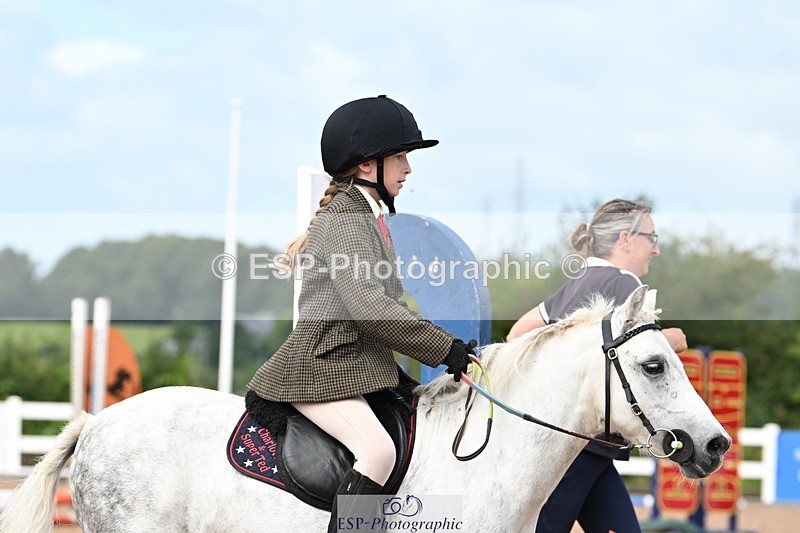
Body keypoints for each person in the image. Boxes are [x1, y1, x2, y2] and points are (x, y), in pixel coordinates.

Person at [247, 95, 473, 533]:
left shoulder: (365, 217)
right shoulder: (348, 220)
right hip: (323, 367)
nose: (409, 169)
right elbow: (371, 310)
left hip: (355, 365)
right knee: (377, 452)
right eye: (401, 157)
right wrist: (444, 348)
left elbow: (391, 306)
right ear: (368, 166)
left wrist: (452, 349)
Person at [507, 198, 687, 533]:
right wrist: (674, 339)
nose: (656, 249)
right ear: (625, 239)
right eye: (652, 238)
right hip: (585, 445)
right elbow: (644, 352)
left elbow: (517, 334)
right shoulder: (626, 283)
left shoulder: (575, 284)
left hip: (586, 447)